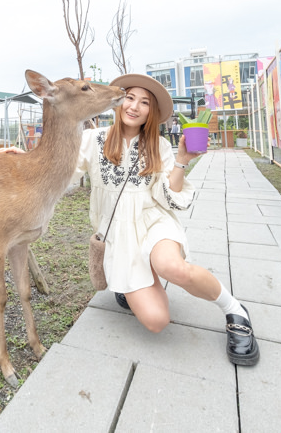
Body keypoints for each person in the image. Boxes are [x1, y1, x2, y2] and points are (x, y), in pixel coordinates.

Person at [74, 73, 260, 366]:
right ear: (119, 101)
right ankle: (131, 283)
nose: (134, 106)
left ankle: (235, 309)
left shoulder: (158, 145)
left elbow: (169, 195)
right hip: (119, 236)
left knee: (173, 267)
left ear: (152, 112)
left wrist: (182, 160)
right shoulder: (92, 140)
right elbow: (60, 171)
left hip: (153, 223)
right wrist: (20, 159)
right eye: (130, 98)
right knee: (157, 321)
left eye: (144, 102)